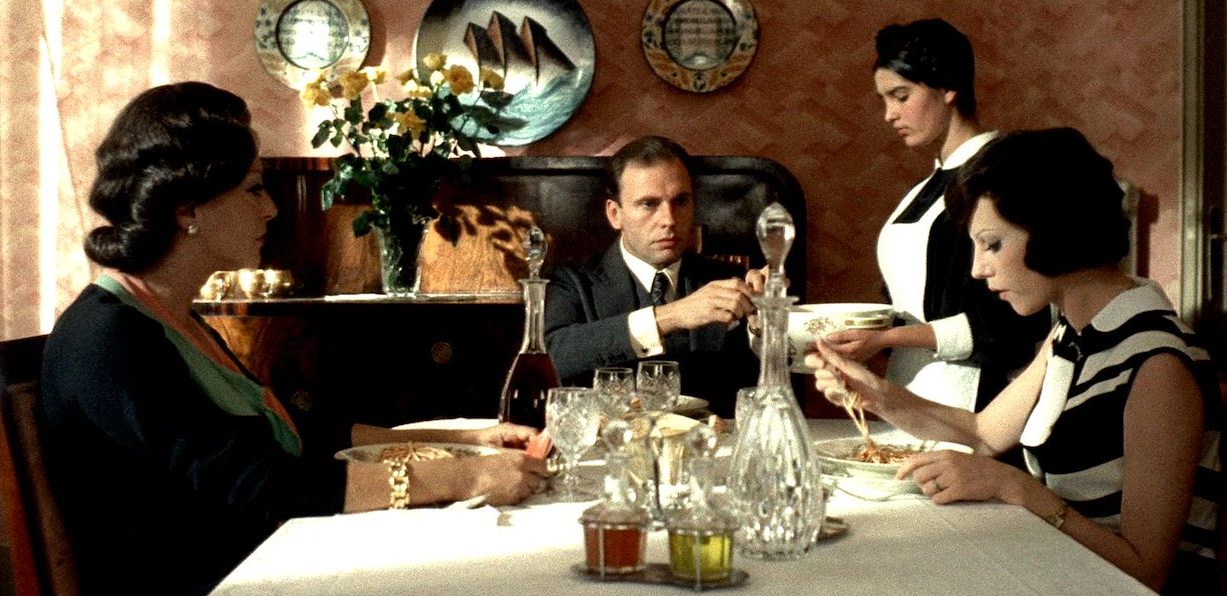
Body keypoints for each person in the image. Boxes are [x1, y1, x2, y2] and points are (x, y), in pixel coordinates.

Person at [38, 82, 547, 596]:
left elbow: (298, 433)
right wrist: (466, 478)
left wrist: (469, 443)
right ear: (187, 209)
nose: (271, 209)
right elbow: (267, 486)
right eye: (253, 189)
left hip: (260, 560)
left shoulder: (171, 319)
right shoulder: (109, 341)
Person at [809, 128, 1222, 593]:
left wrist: (1016, 488)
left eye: (992, 244)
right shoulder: (1073, 335)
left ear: (1053, 232)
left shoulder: (1156, 364)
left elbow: (1147, 571)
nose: (977, 269)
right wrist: (876, 395)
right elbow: (984, 433)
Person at [824, 18, 1050, 413]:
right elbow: (910, 301)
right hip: (909, 390)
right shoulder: (925, 188)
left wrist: (887, 339)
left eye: (901, 96)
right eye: (884, 100)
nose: (889, 115)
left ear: (947, 87)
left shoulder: (1001, 175)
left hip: (979, 400)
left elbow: (1014, 325)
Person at [543, 135, 762, 416]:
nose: (669, 220)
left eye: (681, 201)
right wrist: (670, 316)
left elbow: (762, 388)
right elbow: (554, 356)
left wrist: (766, 325)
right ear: (615, 214)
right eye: (649, 204)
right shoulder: (571, 282)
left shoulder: (730, 280)